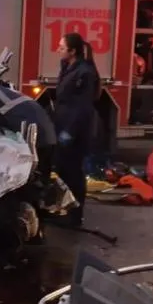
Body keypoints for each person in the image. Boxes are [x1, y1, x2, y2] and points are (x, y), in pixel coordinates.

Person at [52, 32, 102, 226]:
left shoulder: (85, 73)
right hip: (63, 124)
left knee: (73, 173)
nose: (58, 50)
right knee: (63, 170)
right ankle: (66, 209)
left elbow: (82, 106)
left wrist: (69, 132)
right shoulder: (68, 66)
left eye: (62, 47)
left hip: (75, 131)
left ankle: (75, 215)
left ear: (72, 51)